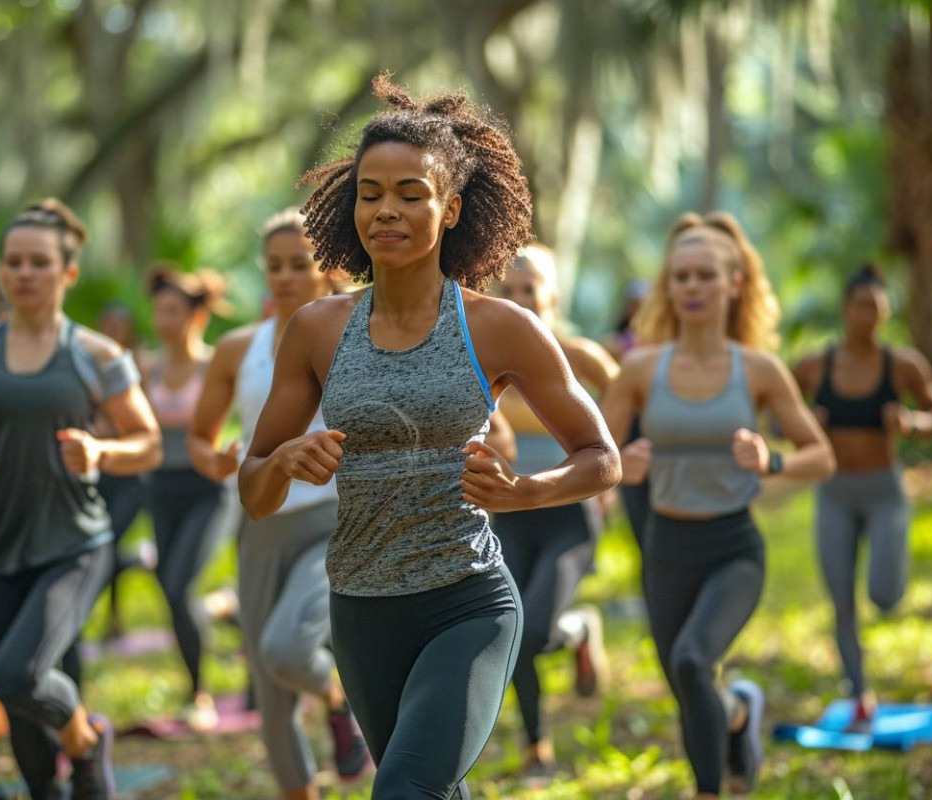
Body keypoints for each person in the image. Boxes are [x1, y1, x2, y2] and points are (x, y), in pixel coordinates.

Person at [239, 77, 621, 799]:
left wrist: (524, 492)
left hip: (466, 601)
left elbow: (602, 458)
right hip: (360, 606)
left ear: (451, 209)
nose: (387, 209)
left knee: (405, 789)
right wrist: (284, 459)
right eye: (371, 194)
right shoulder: (317, 330)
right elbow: (254, 493)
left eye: (411, 194)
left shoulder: (498, 327)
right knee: (430, 789)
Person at [0, 199, 161, 800]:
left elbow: (148, 442)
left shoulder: (96, 355)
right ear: (1, 271)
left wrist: (100, 451)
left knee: (19, 674)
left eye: (39, 262)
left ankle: (86, 742)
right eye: (14, 262)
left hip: (73, 543)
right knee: (16, 710)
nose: (25, 272)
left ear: (68, 272)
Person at [602, 212, 835, 799]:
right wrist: (618, 465)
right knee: (690, 687)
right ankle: (738, 712)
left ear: (734, 283)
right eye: (681, 276)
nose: (692, 286)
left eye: (705, 275)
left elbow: (821, 456)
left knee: (690, 661)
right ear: (668, 286)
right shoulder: (640, 369)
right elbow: (593, 453)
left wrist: (771, 460)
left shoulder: (758, 370)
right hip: (665, 549)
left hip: (734, 549)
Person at [188, 209, 370, 798]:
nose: (285, 277)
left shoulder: (360, 333)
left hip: (337, 517)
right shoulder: (238, 348)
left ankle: (338, 694)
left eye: (299, 264)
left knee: (286, 651)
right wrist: (215, 460)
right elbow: (200, 437)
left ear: (328, 268)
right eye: (274, 266)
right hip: (262, 522)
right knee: (270, 698)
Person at [789, 264, 932, 727]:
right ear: (845, 309)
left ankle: (889, 586)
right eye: (861, 306)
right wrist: (804, 424)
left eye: (877, 308)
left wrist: (911, 423)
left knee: (884, 595)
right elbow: (777, 414)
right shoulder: (815, 365)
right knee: (841, 598)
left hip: (883, 492)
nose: (868, 316)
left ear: (886, 312)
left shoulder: (903, 365)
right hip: (835, 493)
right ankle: (859, 691)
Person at [494, 243, 617, 773]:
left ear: (554, 296)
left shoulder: (580, 356)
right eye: (509, 291)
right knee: (510, 629)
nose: (520, 299)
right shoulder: (487, 359)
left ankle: (580, 628)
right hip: (508, 517)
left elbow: (630, 398)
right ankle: (536, 747)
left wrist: (616, 463)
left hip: (569, 517)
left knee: (537, 631)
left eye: (530, 289)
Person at [142, 264, 236, 733]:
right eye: (159, 310)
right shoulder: (148, 369)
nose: (164, 320)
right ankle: (227, 612)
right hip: (161, 488)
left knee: (180, 586)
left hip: (208, 489)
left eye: (173, 311)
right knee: (170, 589)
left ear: (196, 316)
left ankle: (200, 694)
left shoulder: (215, 364)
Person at [95, 301, 151, 637]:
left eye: (118, 327)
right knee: (108, 545)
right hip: (101, 471)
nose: (112, 332)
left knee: (109, 540)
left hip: (132, 476)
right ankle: (113, 619)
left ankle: (140, 561)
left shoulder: (140, 368)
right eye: (107, 326)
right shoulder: (92, 366)